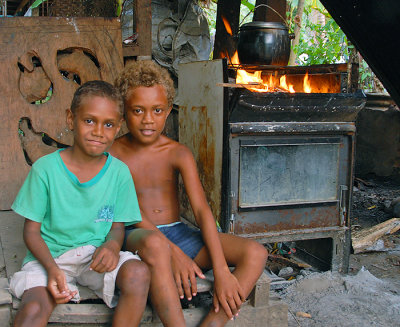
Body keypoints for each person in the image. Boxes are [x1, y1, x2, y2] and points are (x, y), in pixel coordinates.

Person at [111, 60, 269, 327]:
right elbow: (126, 211)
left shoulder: (177, 152)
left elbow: (202, 211)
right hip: (137, 236)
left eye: (157, 110)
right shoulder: (113, 154)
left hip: (178, 234)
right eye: (138, 110)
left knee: (256, 253)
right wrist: (174, 254)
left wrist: (220, 270)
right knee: (155, 244)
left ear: (169, 110)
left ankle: (213, 324)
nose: (148, 119)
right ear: (124, 112)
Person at [9, 80, 150, 327]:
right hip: (48, 258)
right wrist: (53, 270)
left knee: (138, 274)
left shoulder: (119, 173)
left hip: (93, 257)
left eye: (108, 124)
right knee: (33, 309)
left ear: (117, 128)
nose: (98, 131)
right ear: (70, 119)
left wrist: (113, 247)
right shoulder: (45, 170)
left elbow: (117, 227)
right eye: (89, 121)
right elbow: (31, 232)